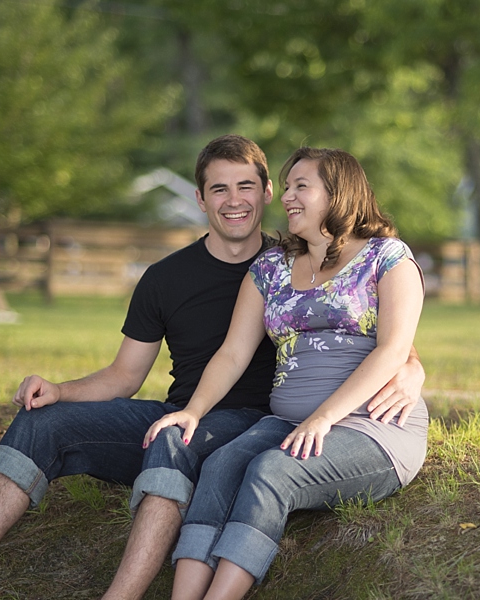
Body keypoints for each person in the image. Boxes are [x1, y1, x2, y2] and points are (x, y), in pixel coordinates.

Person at [0, 135, 424, 600]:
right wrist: (59, 389)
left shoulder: (325, 257)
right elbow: (127, 375)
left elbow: (371, 332)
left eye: (247, 186)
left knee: (179, 442)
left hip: (256, 420)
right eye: (219, 189)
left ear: (264, 193)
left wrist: (413, 368)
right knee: (45, 422)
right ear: (200, 199)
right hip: (194, 411)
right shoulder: (192, 276)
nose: (234, 200)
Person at [143, 146, 428, 599]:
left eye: (301, 187)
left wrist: (323, 417)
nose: (288, 197)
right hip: (288, 422)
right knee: (219, 466)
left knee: (271, 471)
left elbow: (393, 350)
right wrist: (193, 411)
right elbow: (233, 353)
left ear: (338, 193)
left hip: (371, 426)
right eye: (288, 186)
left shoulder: (387, 258)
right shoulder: (270, 268)